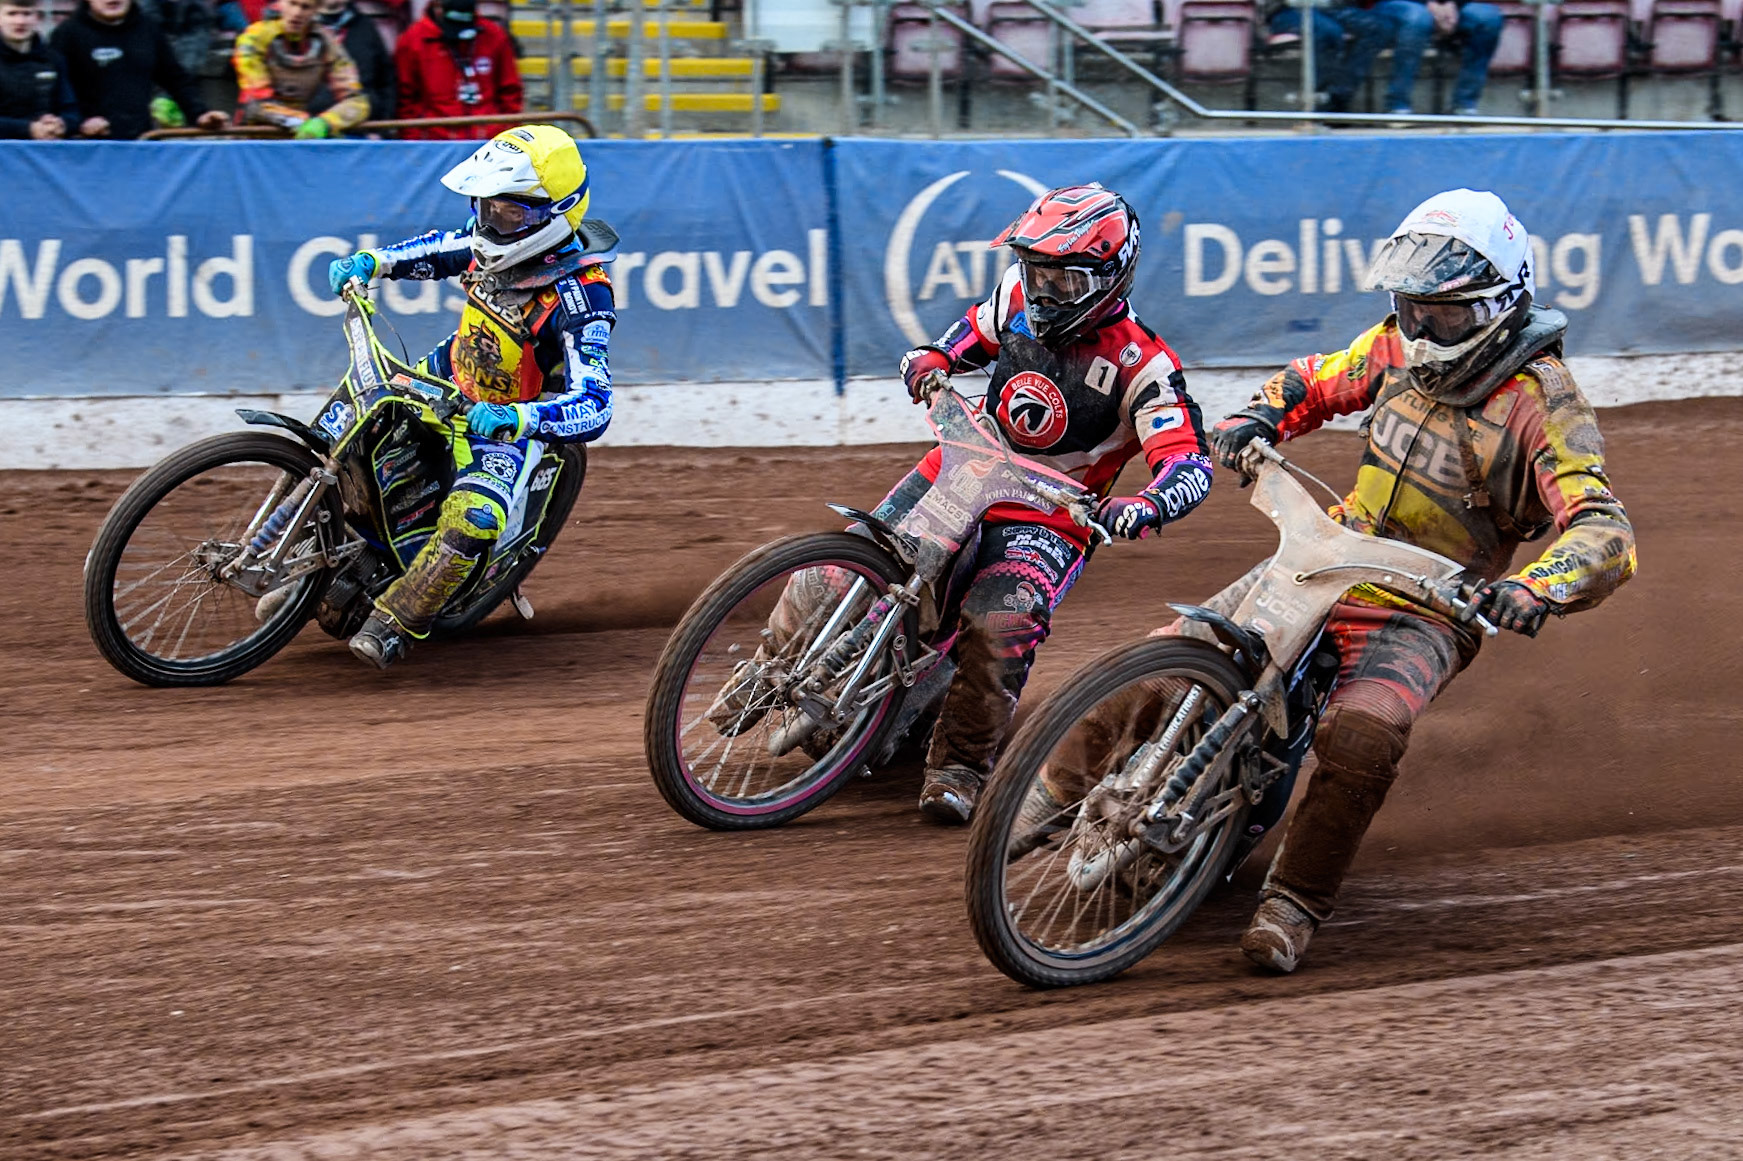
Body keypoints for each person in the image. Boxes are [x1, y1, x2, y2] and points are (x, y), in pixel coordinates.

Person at [1202, 189, 1635, 972]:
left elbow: (1604, 529)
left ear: (1500, 305)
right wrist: (1255, 417)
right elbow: (1316, 379)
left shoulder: (1543, 403)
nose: (1420, 330)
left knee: (1362, 732)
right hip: (1329, 557)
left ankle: (1292, 901)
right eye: (1409, 308)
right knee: (1186, 648)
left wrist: (1535, 587)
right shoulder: (1394, 349)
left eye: (1442, 314)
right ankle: (1045, 795)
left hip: (1429, 607)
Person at [793, 186, 1214, 824]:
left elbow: (1188, 459)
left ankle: (959, 766)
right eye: (1036, 273)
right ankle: (779, 663)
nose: (1044, 293)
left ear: (1109, 277)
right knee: (839, 568)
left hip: (1046, 515)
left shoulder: (1143, 365)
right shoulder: (1015, 300)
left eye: (1063, 281)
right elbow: (962, 339)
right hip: (964, 466)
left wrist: (1147, 504)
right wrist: (931, 359)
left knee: (1001, 622)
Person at [323, 125, 617, 669]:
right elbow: (440, 250)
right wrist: (375, 263)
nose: (491, 222)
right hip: (448, 372)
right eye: (486, 208)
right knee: (348, 425)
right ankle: (304, 550)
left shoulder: (582, 294)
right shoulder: (488, 244)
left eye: (510, 213)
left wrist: (512, 419)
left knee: (475, 518)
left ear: (556, 213)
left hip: (504, 420)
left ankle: (395, 621)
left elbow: (595, 402)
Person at [50, 0, 226, 139]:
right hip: (85, 144)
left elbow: (175, 79)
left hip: (141, 141)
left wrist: (200, 114)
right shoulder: (66, 35)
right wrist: (80, 122)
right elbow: (54, 92)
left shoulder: (148, 30)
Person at [232, 0, 368, 137]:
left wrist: (325, 123)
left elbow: (357, 101)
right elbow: (257, 102)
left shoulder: (326, 41)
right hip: (253, 136)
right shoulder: (254, 37)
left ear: (316, 10)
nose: (297, 13)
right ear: (280, 3)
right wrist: (302, 122)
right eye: (292, 4)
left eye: (306, 7)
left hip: (303, 134)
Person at [394, 0, 520, 140]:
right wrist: (416, 141)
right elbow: (405, 99)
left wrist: (506, 135)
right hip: (435, 143)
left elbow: (510, 92)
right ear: (438, 8)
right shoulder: (412, 40)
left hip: (488, 140)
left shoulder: (494, 36)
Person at [1264, 0, 1400, 115]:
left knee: (1380, 28)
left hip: (1334, 8)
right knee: (1329, 32)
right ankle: (1320, 105)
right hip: (1289, 10)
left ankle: (1338, 95)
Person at [1377, 0, 1502, 115]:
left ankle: (1464, 105)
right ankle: (1396, 105)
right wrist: (1429, 4)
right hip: (1400, 3)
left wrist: (1452, 4)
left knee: (1488, 17)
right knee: (1418, 18)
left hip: (1451, 6)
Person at [0, 0, 78, 139]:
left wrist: (61, 124)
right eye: (12, 14)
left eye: (27, 14)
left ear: (37, 17)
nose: (20, 21)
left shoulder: (53, 59)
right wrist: (27, 129)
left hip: (44, 153)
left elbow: (71, 109)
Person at [309, 0, 393, 124]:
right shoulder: (301, 27)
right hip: (309, 128)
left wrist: (383, 129)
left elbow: (386, 80)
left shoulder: (366, 27)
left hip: (363, 128)